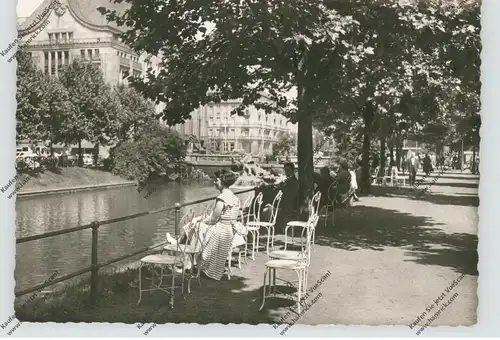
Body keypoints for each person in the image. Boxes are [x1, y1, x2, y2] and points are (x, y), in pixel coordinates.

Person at [166, 169, 241, 280]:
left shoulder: (222, 198)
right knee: (196, 228)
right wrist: (199, 219)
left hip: (220, 231)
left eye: (217, 180)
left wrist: (197, 220)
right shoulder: (233, 196)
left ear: (222, 182)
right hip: (228, 230)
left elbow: (213, 219)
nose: (215, 182)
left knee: (194, 227)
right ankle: (188, 262)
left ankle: (180, 248)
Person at [257, 162, 299, 232]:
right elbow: (281, 187)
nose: (287, 172)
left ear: (293, 170)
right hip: (284, 201)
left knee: (264, 198)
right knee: (265, 196)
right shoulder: (289, 179)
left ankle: (260, 220)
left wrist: (280, 186)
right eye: (286, 170)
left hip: (287, 204)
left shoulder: (293, 181)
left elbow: (288, 194)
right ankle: (261, 219)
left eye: (288, 170)